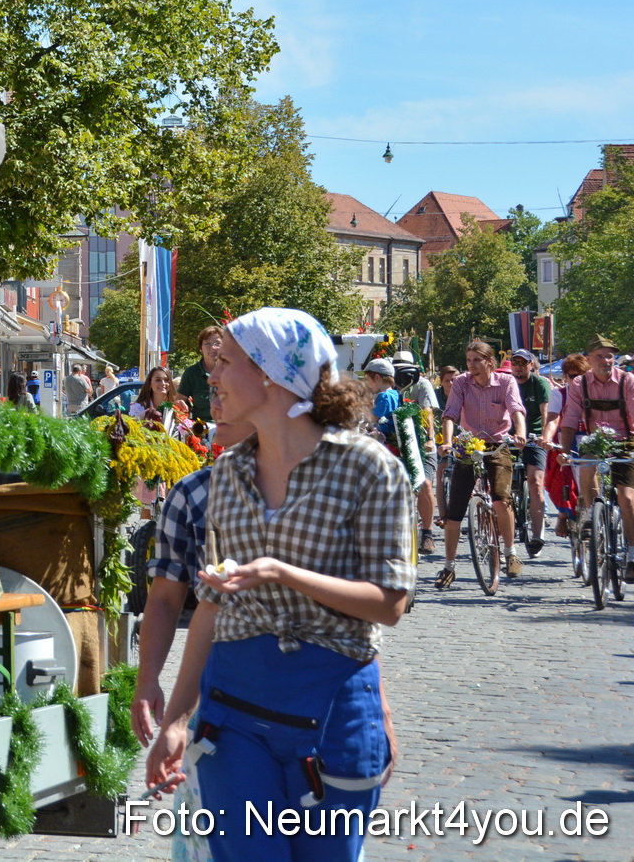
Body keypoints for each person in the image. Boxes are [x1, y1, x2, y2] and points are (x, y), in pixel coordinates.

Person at [146, 308, 411, 862]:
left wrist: (280, 571)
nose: (212, 375)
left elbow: (390, 602)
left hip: (333, 708)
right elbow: (212, 607)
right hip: (234, 711)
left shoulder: (369, 469)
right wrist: (174, 720)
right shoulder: (227, 475)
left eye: (227, 362)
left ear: (269, 373)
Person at [134, 394, 254, 862]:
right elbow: (166, 598)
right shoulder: (193, 493)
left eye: (229, 391)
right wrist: (149, 682)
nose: (215, 399)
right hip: (216, 695)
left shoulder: (324, 485)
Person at [439, 340, 527, 586]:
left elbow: (516, 409)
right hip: (469, 445)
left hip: (498, 445)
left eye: (477, 360)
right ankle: (448, 566)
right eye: (469, 360)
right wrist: (447, 442)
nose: (472, 365)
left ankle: (510, 554)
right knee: (454, 510)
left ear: (490, 362)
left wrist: (520, 433)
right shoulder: (461, 383)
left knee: (501, 498)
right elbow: (450, 414)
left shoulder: (506, 382)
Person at [557, 335, 634, 582]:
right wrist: (564, 450)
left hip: (626, 440)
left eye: (610, 355)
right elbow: (570, 419)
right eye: (600, 356)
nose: (606, 360)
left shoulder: (628, 381)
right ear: (589, 360)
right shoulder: (579, 384)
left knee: (627, 496)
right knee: (586, 466)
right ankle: (591, 515)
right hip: (595, 441)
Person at [392, 351, 440, 554]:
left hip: (421, 443)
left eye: (405, 368)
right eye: (397, 368)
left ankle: (427, 533)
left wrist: (430, 438)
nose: (402, 372)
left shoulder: (422, 384)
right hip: (397, 443)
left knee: (425, 483)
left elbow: (427, 411)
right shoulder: (390, 385)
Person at [506, 349, 550, 555]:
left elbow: (545, 412)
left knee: (535, 481)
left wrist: (544, 435)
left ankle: (537, 533)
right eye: (515, 362)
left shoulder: (539, 384)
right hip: (508, 437)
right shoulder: (506, 382)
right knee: (501, 483)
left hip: (533, 437)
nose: (518, 366)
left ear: (531, 365)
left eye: (523, 363)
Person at [176, 325, 223, 423]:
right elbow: (178, 403)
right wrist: (180, 405)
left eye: (217, 343)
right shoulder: (191, 373)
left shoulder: (233, 371)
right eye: (207, 344)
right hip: (202, 429)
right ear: (200, 348)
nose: (212, 348)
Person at [130, 366, 192, 437]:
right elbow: (133, 433)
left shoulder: (176, 406)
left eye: (166, 380)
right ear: (150, 383)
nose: (163, 383)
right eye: (158, 380)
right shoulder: (139, 408)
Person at [364, 358, 400, 440]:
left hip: (385, 441)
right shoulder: (395, 393)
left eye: (367, 379)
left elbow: (372, 418)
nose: (366, 383)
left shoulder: (384, 396)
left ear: (377, 377)